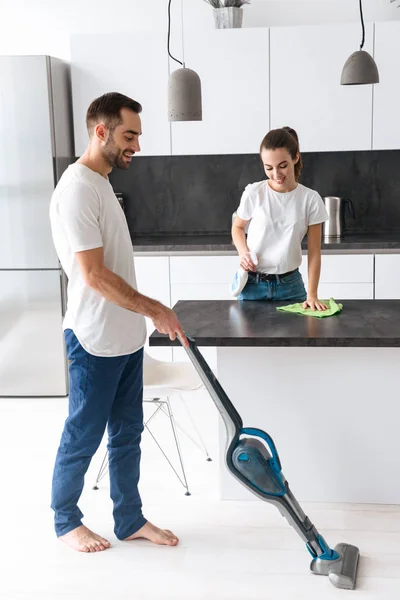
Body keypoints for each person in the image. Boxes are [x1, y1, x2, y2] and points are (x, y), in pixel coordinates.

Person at [50, 92, 188, 553]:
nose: (137, 146)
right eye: (129, 135)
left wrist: (142, 320)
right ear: (101, 131)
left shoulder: (102, 181)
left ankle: (129, 519)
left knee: (127, 434)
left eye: (138, 136)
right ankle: (66, 520)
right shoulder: (76, 188)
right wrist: (156, 309)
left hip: (125, 338)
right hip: (92, 339)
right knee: (83, 433)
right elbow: (92, 275)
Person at [231, 127, 328, 310]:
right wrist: (243, 252)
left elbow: (314, 252)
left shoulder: (310, 199)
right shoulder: (255, 193)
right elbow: (237, 227)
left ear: (295, 158)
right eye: (269, 168)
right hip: (252, 285)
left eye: (282, 166)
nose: (276, 174)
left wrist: (313, 294)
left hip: (291, 287)